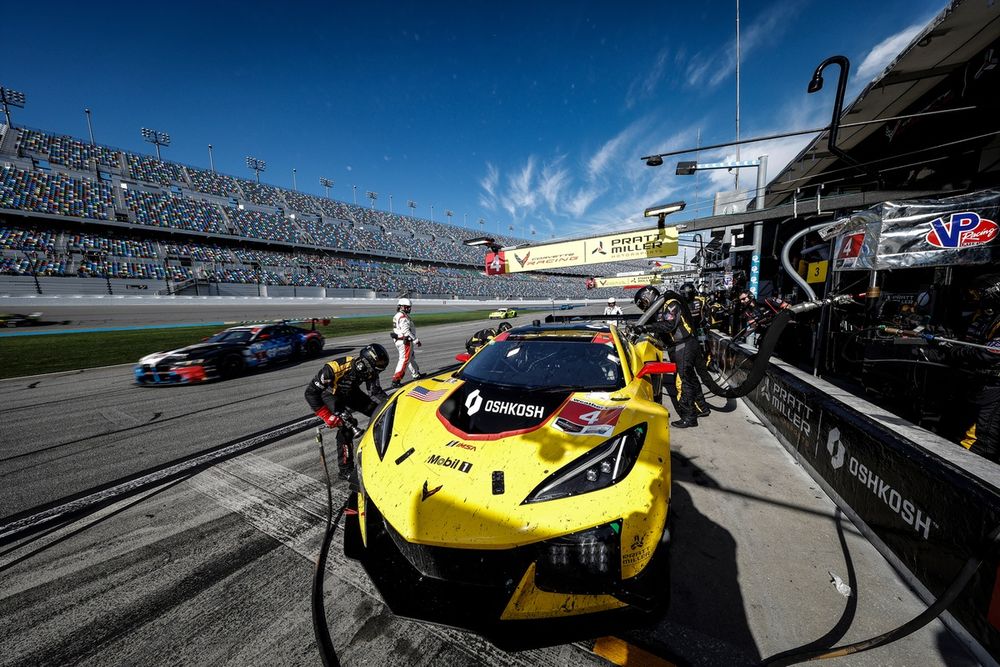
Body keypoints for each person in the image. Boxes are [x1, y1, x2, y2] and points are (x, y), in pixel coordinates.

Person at [304, 343, 389, 480]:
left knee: (378, 411)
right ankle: (345, 470)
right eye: (374, 369)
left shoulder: (371, 370)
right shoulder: (334, 368)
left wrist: (391, 404)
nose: (373, 374)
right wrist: (327, 416)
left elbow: (375, 392)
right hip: (329, 395)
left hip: (351, 392)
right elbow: (310, 393)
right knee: (347, 426)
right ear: (364, 364)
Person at [633, 285, 710, 428]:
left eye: (643, 303)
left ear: (647, 297)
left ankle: (689, 417)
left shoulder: (670, 304)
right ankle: (702, 408)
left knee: (682, 382)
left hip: (684, 346)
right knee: (691, 378)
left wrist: (645, 328)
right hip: (682, 346)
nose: (644, 307)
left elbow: (669, 325)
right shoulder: (660, 309)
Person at [391, 297, 422, 387]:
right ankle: (396, 379)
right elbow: (406, 331)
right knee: (404, 360)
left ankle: (416, 374)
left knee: (410, 358)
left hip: (400, 340)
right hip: (405, 341)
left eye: (409, 307)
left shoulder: (398, 315)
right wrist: (416, 340)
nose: (408, 309)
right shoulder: (403, 317)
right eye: (406, 307)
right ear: (401, 307)